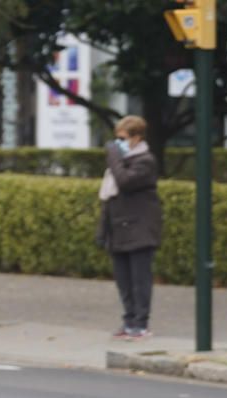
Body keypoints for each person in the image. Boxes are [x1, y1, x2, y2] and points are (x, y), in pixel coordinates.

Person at [97, 115, 162, 341]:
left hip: (139, 229)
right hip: (119, 230)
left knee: (139, 280)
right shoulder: (121, 163)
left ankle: (141, 324)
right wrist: (103, 232)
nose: (119, 145)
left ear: (137, 138)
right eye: (117, 140)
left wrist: (114, 156)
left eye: (123, 139)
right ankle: (129, 320)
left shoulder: (145, 161)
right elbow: (109, 199)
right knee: (123, 280)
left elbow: (124, 181)